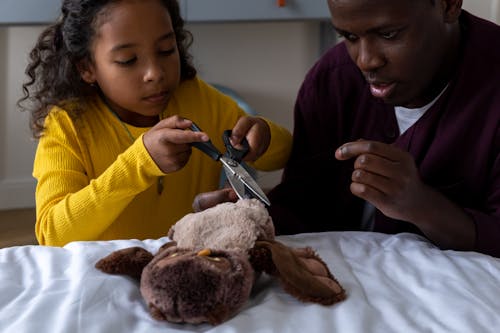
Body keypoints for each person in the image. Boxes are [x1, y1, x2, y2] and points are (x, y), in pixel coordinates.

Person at [192, 0, 500, 257]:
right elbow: (306, 209)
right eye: (349, 37)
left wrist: (422, 206)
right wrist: (252, 212)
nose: (366, 61)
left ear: (448, 4)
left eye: (389, 34)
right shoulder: (332, 80)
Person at [17, 0, 292, 247]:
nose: (155, 73)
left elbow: (286, 155)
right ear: (86, 68)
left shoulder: (196, 98)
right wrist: (141, 162)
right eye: (128, 60)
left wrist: (264, 137)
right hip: (103, 279)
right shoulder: (66, 125)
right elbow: (53, 233)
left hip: (187, 266)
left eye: (166, 50)